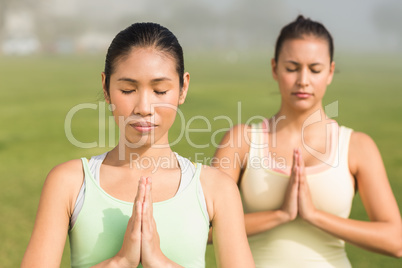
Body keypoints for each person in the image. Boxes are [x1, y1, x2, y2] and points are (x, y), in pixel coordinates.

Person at [22, 22, 254, 268]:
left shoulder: (216, 189)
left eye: (160, 91)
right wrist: (119, 262)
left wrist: (161, 263)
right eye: (128, 89)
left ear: (183, 87)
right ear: (106, 87)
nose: (144, 108)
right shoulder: (70, 183)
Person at [212, 15, 402, 267]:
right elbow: (203, 229)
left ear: (330, 72)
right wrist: (280, 215)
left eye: (315, 69)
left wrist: (314, 216)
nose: (303, 80)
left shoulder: (356, 146)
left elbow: (396, 240)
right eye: (292, 68)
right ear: (274, 68)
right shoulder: (242, 140)